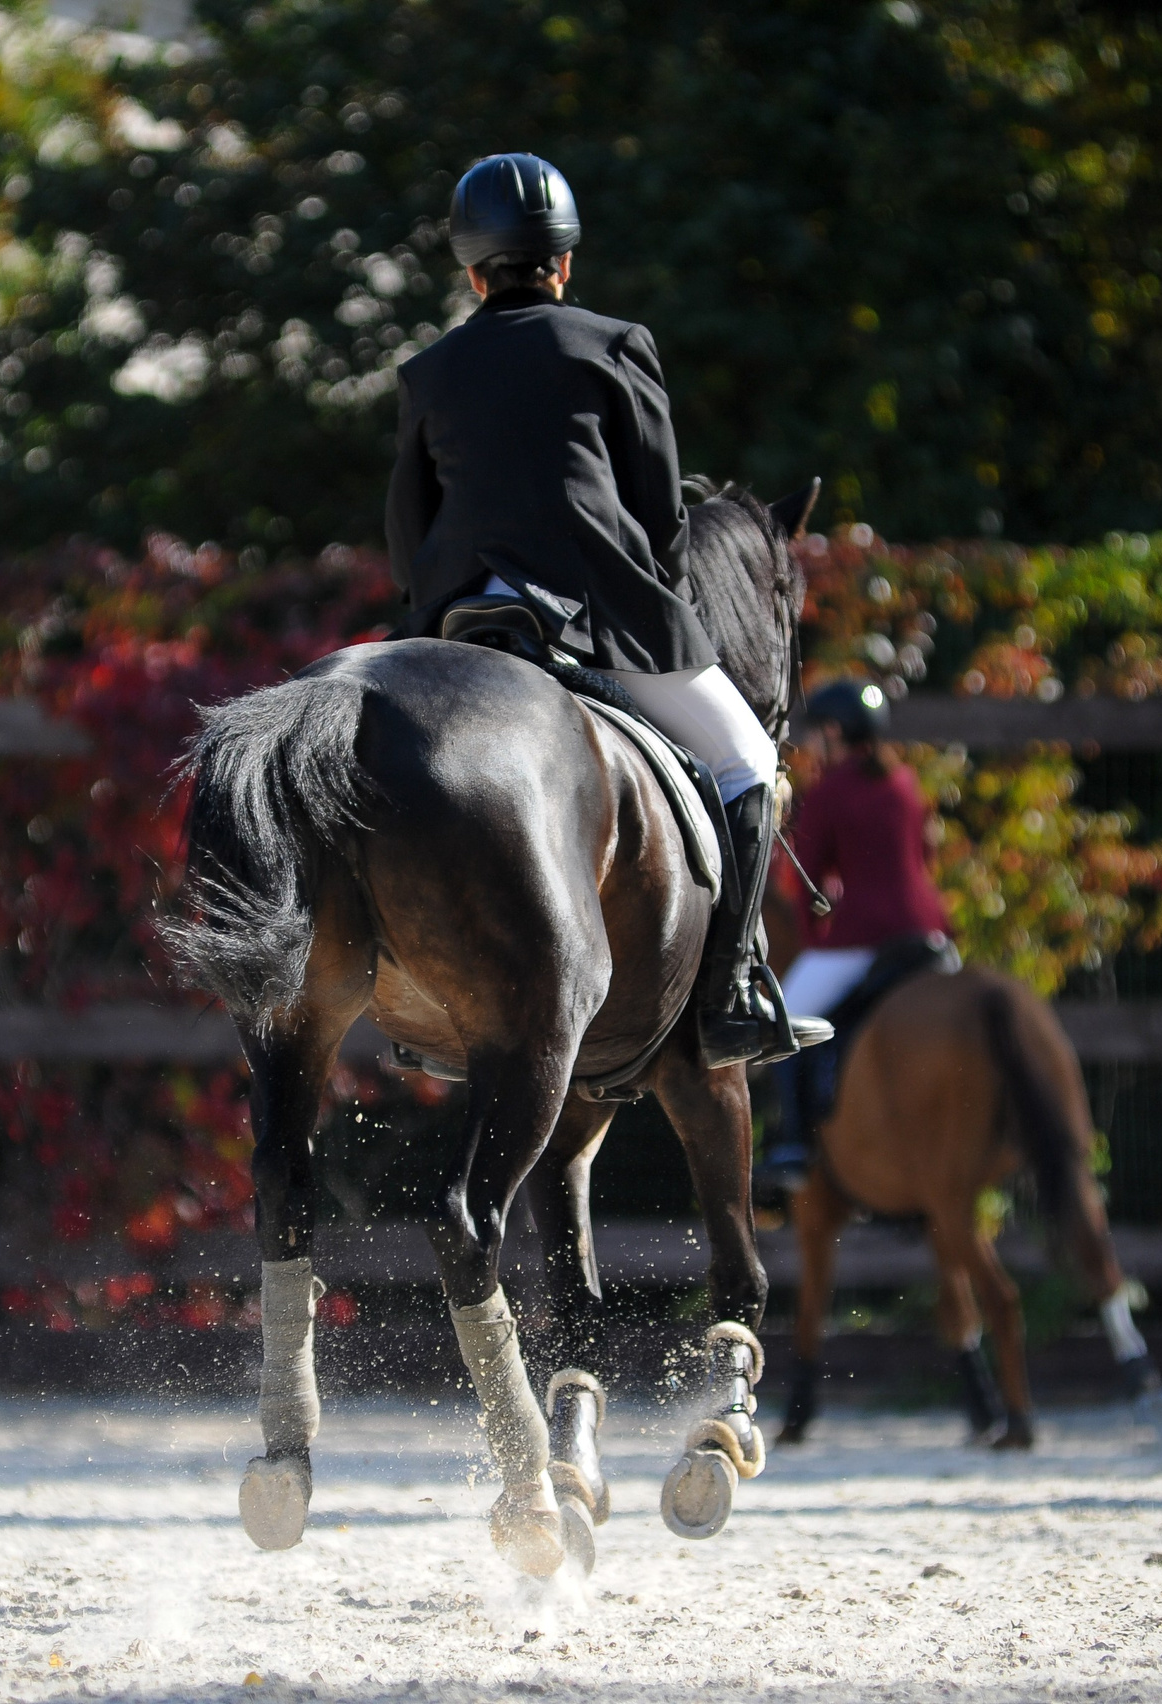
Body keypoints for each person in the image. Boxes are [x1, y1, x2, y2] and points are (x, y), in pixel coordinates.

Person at [384, 151, 828, 1068]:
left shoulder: (429, 372)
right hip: (598, 616)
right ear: (566, 261)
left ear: (472, 271)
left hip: (465, 622)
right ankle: (732, 990)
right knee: (746, 761)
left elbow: (405, 525)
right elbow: (662, 516)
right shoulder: (614, 344)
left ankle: (414, 988)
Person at [758, 677, 954, 1192]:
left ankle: (793, 1145)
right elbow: (925, 859)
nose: (817, 744)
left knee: (787, 1021)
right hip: (931, 937)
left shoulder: (828, 792)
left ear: (836, 731)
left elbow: (807, 882)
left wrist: (813, 936)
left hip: (866, 938)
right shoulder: (906, 783)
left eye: (820, 733)